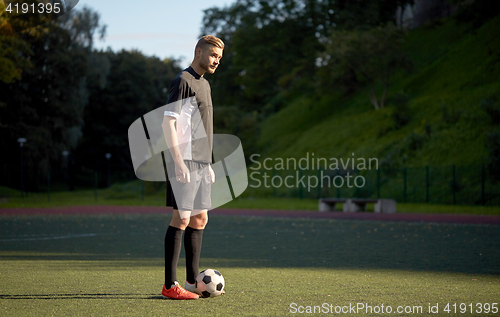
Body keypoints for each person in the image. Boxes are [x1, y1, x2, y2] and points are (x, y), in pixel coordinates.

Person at [161, 35, 224, 300]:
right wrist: (177, 162)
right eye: (212, 55)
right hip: (184, 160)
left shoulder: (205, 85)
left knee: (200, 219)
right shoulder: (183, 81)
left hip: (201, 162)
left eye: (219, 58)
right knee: (182, 219)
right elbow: (168, 124)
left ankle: (191, 281)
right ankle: (169, 285)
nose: (216, 61)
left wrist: (208, 163)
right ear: (198, 51)